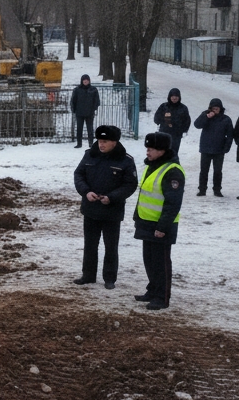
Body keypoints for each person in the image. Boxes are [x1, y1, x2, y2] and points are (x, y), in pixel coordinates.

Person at [71, 124, 139, 289]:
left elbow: (130, 184)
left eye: (105, 141)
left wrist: (112, 197)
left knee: (111, 246)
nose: (101, 144)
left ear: (114, 142)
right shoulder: (90, 155)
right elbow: (79, 174)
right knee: (90, 245)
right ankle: (88, 275)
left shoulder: (125, 160)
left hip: (112, 211)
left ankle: (109, 278)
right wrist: (86, 192)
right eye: (100, 141)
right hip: (91, 208)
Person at [133, 132, 184, 311]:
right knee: (149, 260)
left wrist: (163, 227)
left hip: (161, 226)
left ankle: (162, 297)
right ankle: (153, 289)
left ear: (162, 150)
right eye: (147, 148)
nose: (148, 152)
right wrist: (137, 218)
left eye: (151, 149)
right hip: (147, 222)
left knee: (160, 262)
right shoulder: (152, 165)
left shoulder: (172, 171)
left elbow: (173, 203)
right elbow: (145, 194)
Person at [192, 98, 234, 197]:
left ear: (220, 108)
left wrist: (227, 147)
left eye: (217, 108)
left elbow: (230, 134)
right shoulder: (205, 115)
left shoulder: (226, 119)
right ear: (210, 108)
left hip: (219, 149)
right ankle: (202, 189)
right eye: (213, 108)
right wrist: (206, 117)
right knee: (204, 170)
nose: (215, 110)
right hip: (206, 148)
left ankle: (217, 190)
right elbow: (197, 125)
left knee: (218, 171)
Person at [153, 88, 191, 158]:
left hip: (176, 135)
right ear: (169, 97)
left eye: (176, 96)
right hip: (164, 134)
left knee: (173, 153)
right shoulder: (164, 106)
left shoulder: (183, 108)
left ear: (179, 97)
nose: (174, 98)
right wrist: (164, 119)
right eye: (172, 96)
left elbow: (187, 121)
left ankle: (173, 167)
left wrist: (181, 129)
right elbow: (156, 119)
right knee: (162, 153)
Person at [70, 74, 101, 148]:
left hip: (90, 113)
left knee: (90, 129)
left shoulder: (93, 89)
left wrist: (94, 108)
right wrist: (74, 110)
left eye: (87, 80)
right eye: (84, 80)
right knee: (79, 129)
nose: (85, 81)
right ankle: (79, 143)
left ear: (89, 80)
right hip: (79, 112)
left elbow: (97, 100)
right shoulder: (77, 90)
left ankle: (91, 143)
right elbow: (73, 100)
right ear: (82, 81)